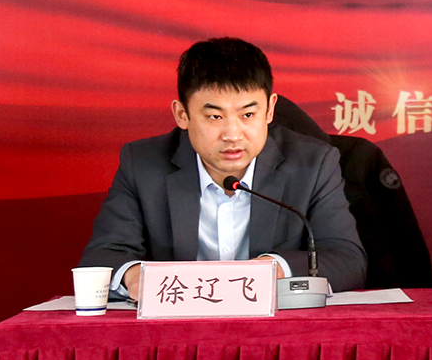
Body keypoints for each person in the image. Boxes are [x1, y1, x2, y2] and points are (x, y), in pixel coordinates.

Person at [79, 38, 367, 296]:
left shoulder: (312, 164)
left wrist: (275, 269)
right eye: (215, 117)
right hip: (178, 327)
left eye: (248, 114)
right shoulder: (143, 164)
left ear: (269, 110)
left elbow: (347, 260)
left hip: (274, 327)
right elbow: (103, 256)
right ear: (182, 114)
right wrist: (134, 276)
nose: (232, 134)